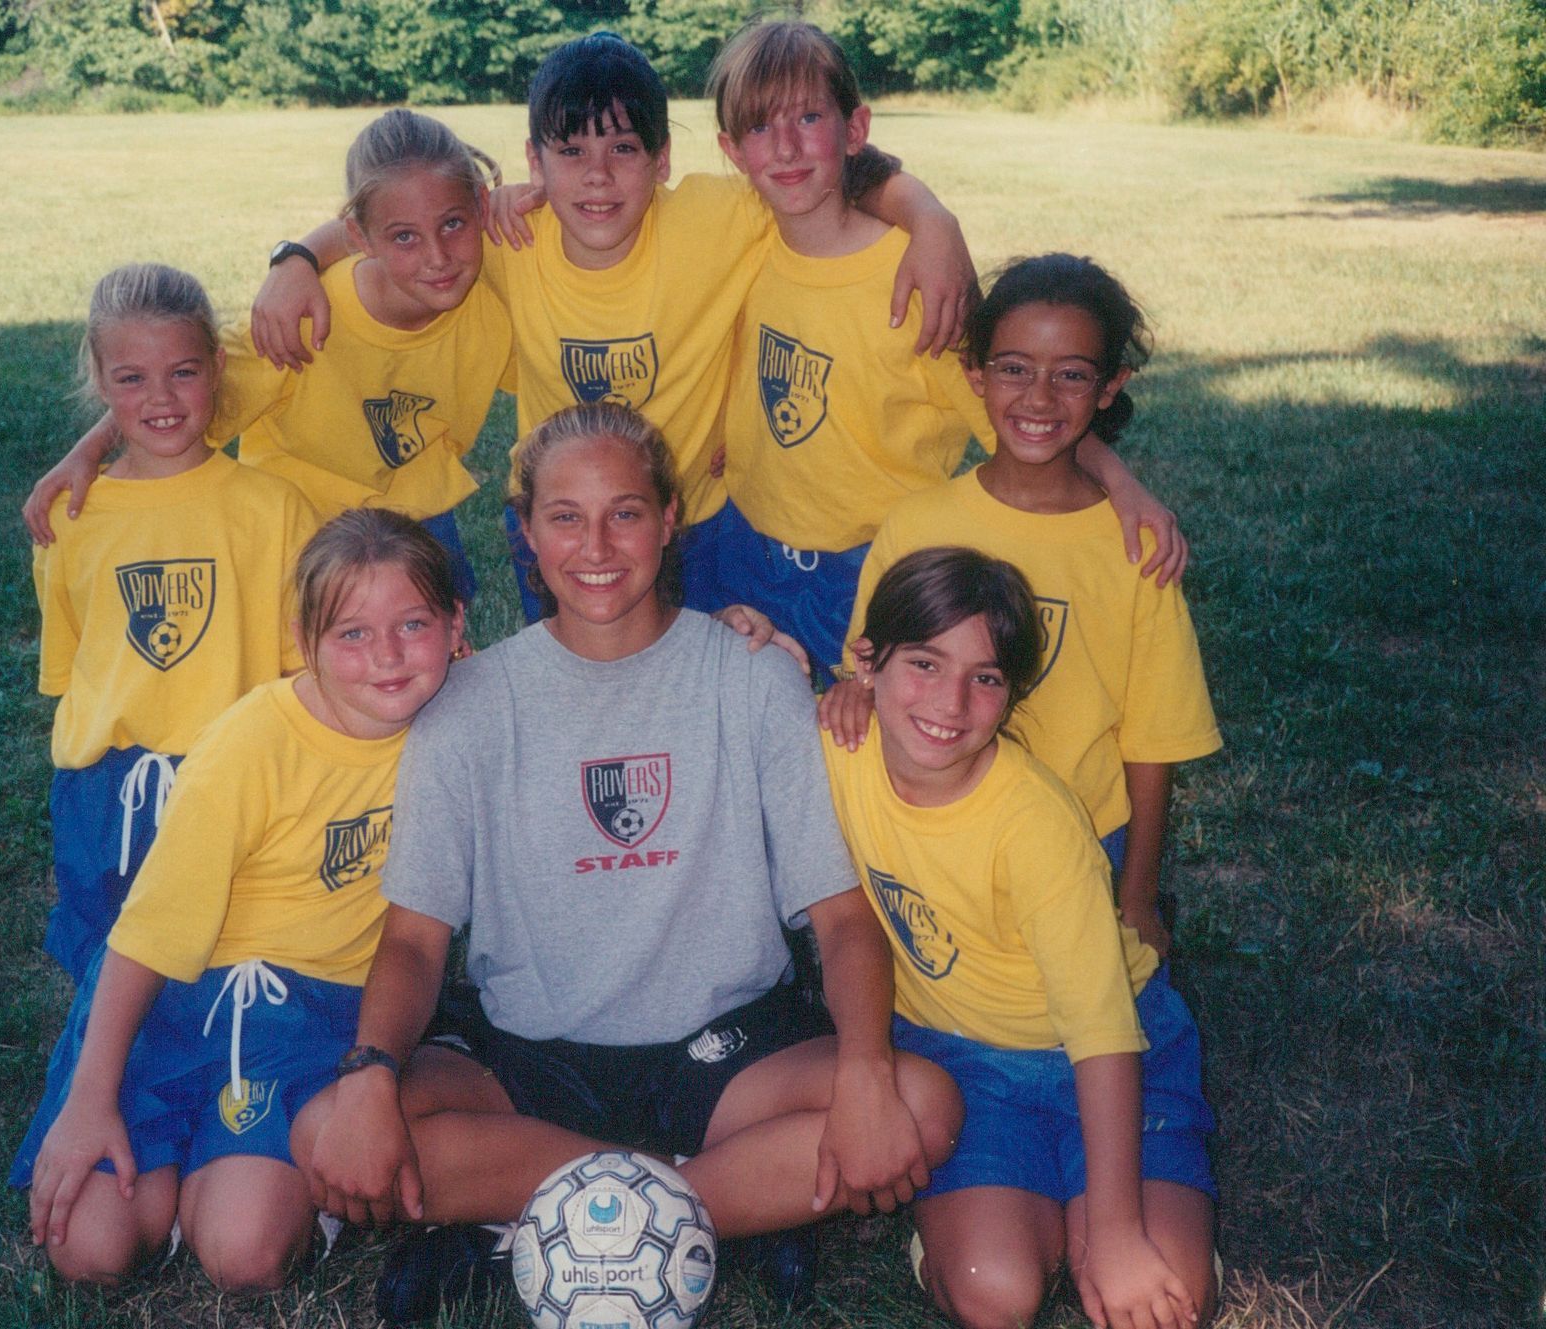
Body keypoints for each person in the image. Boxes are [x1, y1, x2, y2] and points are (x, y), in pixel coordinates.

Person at [292, 402, 964, 1324]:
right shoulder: (470, 703)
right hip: (529, 1062)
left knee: (919, 1101)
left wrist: (864, 1071)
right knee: (327, 1129)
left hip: (725, 1057)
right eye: (565, 516)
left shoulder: (752, 675)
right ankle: (719, 1200)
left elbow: (844, 919)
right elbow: (413, 940)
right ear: (526, 532)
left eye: (626, 512)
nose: (597, 545)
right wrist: (372, 1073)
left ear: (670, 517)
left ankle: (527, 1215)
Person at [250, 31, 982, 623]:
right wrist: (297, 258)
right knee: (575, 699)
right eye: (571, 152)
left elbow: (826, 172)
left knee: (699, 694)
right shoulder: (507, 237)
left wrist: (930, 217)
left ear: (662, 160)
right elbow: (392, 214)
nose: (597, 175)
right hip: (557, 521)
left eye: (623, 149)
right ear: (535, 163)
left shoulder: (715, 220)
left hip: (692, 521)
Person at [13, 509, 468, 1290]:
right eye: (352, 633)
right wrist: (90, 1099)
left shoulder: (461, 723)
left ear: (456, 627)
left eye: (413, 624)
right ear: (303, 640)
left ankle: (243, 1174)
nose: (387, 655)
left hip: (308, 1017)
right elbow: (147, 935)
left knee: (243, 1252)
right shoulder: (251, 743)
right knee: (90, 1249)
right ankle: (185, 1158)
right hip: (175, 1002)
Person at [703, 19, 1184, 681]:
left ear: (855, 128)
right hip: (742, 548)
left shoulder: (920, 279)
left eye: (809, 117)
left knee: (853, 736)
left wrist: (1122, 485)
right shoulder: (743, 239)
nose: (785, 146)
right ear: (732, 151)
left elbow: (1014, 414)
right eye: (760, 127)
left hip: (870, 568)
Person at [819, 547, 1219, 1329]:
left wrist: (1117, 1232)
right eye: (924, 663)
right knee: (995, 1290)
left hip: (1116, 1048)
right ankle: (1003, 1223)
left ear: (1011, 695)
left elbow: (1102, 1033)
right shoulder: (840, 748)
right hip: (965, 1059)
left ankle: (1104, 1219)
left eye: (987, 678)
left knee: (1164, 1293)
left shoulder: (1035, 823)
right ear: (867, 661)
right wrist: (752, 632)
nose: (950, 702)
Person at [824, 255, 1220, 952]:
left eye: (1071, 375)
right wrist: (851, 691)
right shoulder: (917, 524)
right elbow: (866, 663)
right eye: (1013, 368)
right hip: (934, 835)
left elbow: (1155, 742)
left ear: (1110, 386)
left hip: (1084, 834)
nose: (1039, 399)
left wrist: (1136, 895)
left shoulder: (1137, 550)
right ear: (974, 373)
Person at [23, 109, 513, 605]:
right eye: (405, 236)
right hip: (300, 526)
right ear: (359, 237)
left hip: (417, 519)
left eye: (453, 224)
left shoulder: (493, 308)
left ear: (480, 206)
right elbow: (184, 383)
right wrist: (89, 450)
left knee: (439, 640)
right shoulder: (304, 314)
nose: (437, 256)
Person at [31, 262, 316, 981]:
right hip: (105, 794)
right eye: (131, 378)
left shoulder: (274, 508)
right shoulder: (71, 517)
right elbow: (73, 673)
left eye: (182, 372)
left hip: (230, 780)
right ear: (100, 382)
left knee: (217, 970)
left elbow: (302, 670)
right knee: (107, 977)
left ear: (218, 368)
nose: (160, 398)